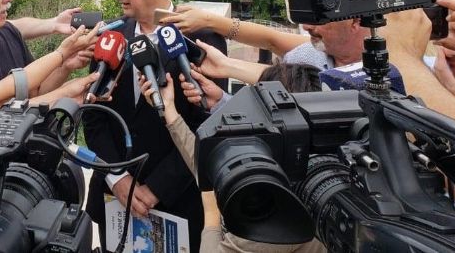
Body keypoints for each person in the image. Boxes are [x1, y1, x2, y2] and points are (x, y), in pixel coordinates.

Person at [82, 0, 227, 252]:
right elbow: (93, 116)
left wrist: (157, 188)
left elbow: (208, 128)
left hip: (178, 203)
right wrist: (117, 178)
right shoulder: (110, 36)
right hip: (113, 202)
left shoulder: (202, 40)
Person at [138, 70, 326, 253]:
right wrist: (170, 111)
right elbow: (209, 163)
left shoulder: (269, 213)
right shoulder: (315, 161)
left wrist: (211, 214)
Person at [161, 6, 369, 70]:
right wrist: (209, 20)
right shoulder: (309, 54)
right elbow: (272, 40)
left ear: (355, 22)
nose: (306, 28)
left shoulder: (392, 68)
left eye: (320, 20)